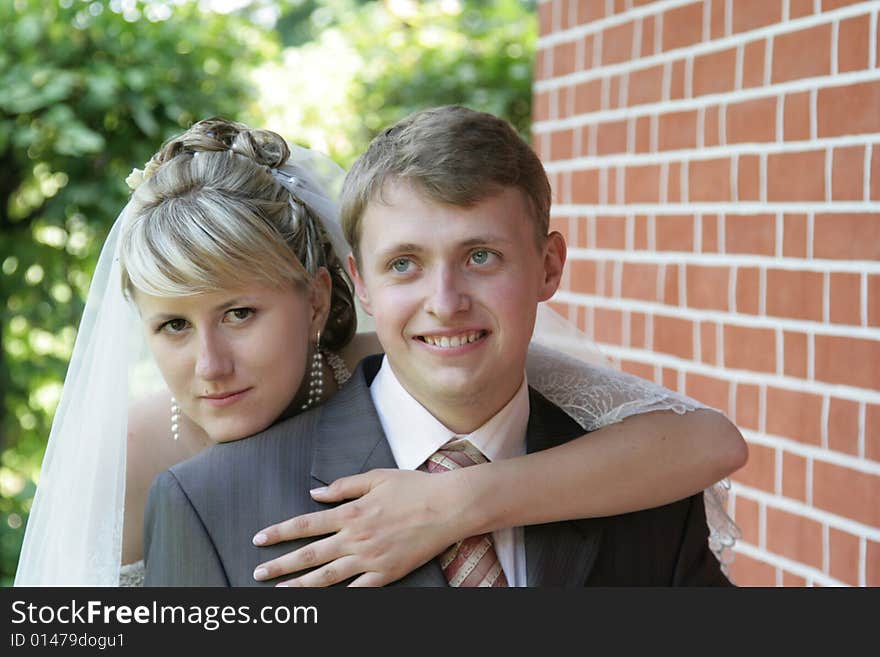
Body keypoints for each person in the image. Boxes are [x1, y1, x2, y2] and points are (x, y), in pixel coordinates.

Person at [141, 110, 739, 587]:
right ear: (364, 284)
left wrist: (457, 503)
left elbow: (713, 438)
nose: (446, 302)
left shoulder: (644, 486)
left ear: (549, 267)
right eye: (405, 264)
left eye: (481, 257)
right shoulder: (204, 504)